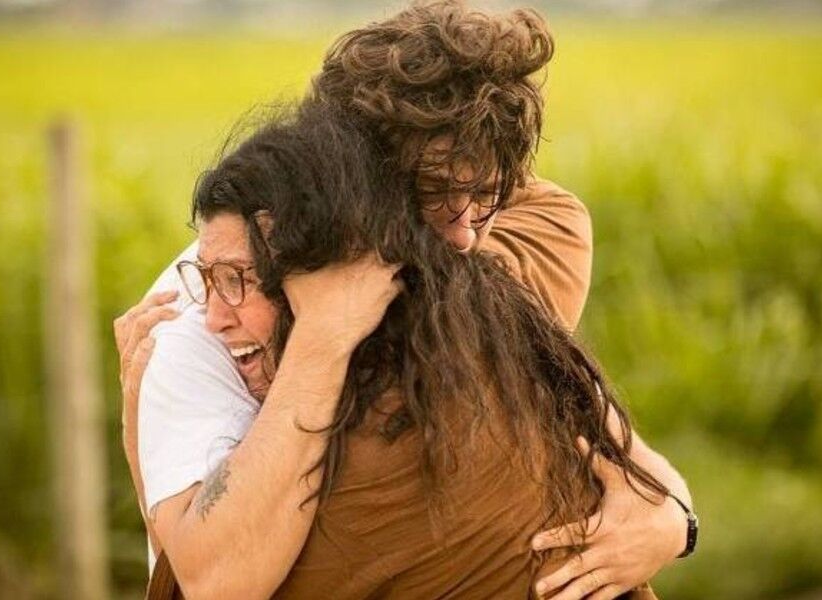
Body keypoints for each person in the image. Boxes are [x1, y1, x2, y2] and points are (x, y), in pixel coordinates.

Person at [113, 2, 695, 598]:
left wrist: (668, 506)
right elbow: (214, 578)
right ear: (352, 179)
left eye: (487, 196)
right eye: (437, 193)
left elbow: (550, 373)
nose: (466, 232)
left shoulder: (528, 245)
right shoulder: (195, 325)